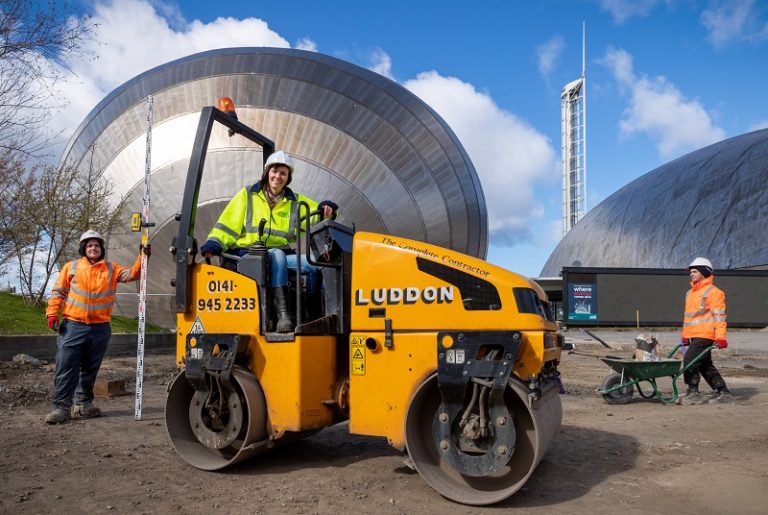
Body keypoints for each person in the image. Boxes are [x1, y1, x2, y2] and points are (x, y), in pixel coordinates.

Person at [200, 151, 337, 333]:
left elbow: (316, 213)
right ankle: (283, 316)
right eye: (274, 171)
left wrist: (327, 208)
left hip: (280, 252)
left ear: (288, 178)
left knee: (313, 266)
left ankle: (312, 318)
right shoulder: (247, 195)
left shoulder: (294, 201)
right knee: (277, 255)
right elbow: (227, 225)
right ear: (267, 172)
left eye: (283, 173)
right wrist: (214, 243)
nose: (278, 176)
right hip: (250, 253)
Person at [44, 230, 151, 424]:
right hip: (73, 326)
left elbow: (133, 274)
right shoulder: (72, 267)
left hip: (100, 329)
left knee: (90, 369)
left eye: (96, 245)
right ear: (84, 249)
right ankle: (61, 408)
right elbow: (58, 292)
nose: (93, 248)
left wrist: (143, 256)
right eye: (89, 245)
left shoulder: (111, 269)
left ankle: (84, 405)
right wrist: (52, 313)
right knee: (66, 367)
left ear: (101, 249)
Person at [680, 257, 733, 404]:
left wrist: (721, 337)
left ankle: (693, 391)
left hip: (706, 335)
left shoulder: (714, 292)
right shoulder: (689, 293)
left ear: (704, 272)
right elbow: (688, 318)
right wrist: (685, 336)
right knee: (704, 365)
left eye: (695, 271)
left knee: (689, 361)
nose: (691, 274)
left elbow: (719, 317)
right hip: (694, 335)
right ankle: (724, 392)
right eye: (690, 271)